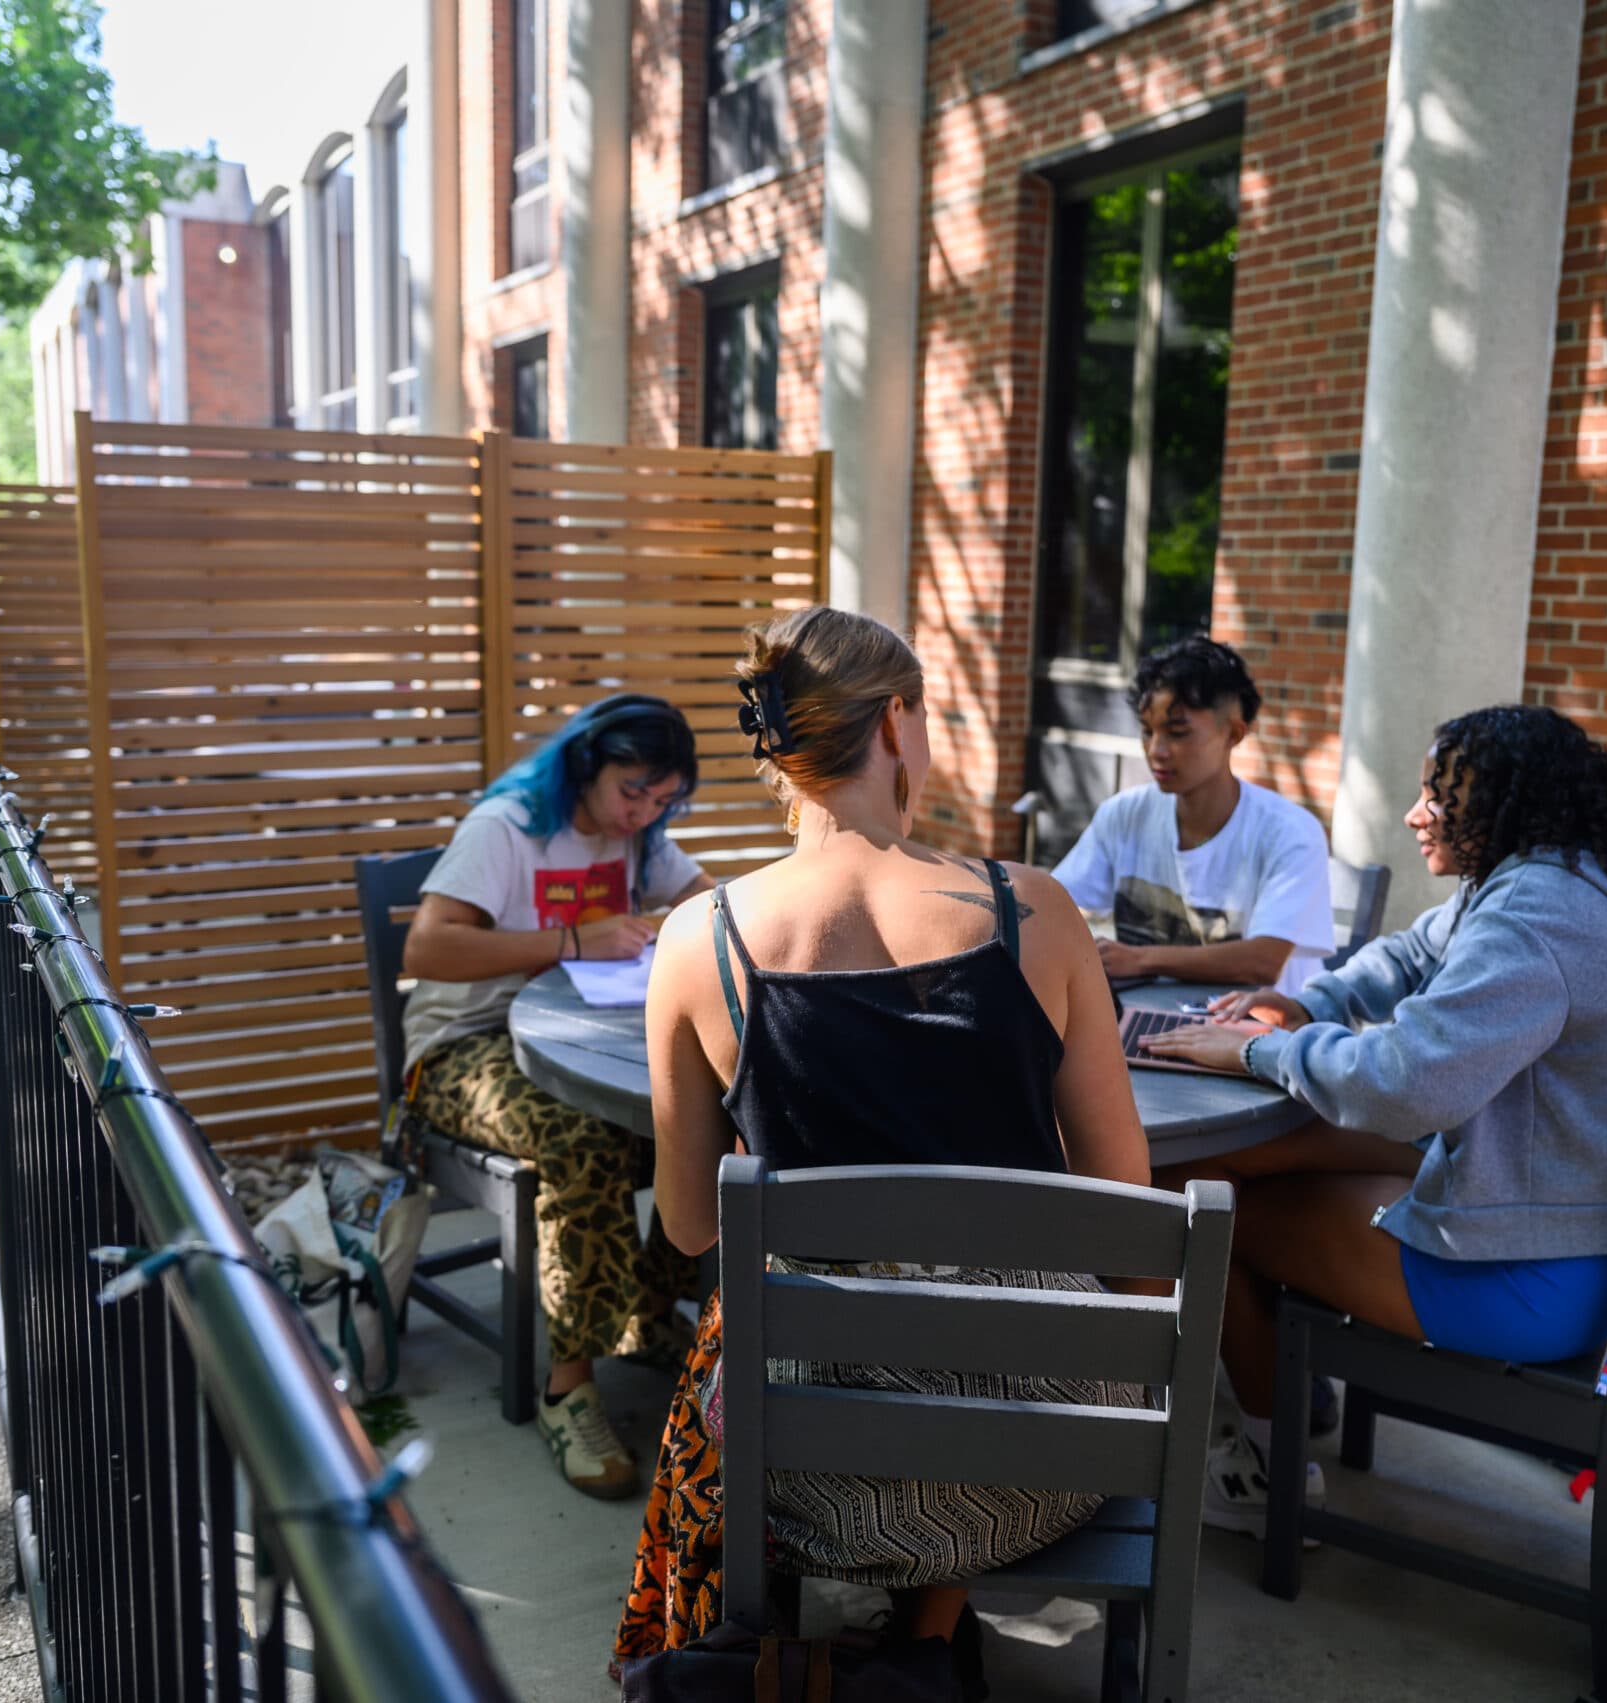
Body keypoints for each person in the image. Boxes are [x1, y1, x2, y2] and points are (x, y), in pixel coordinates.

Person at [615, 607, 1153, 1683]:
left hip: (804, 1458)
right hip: (1044, 1456)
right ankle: (917, 1652)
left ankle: (837, 1660)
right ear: (898, 722)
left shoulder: (697, 938)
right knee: (998, 1323)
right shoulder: (1033, 911)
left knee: (755, 1334)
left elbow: (683, 1224)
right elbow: (1131, 1221)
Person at [1138, 703, 1607, 1537]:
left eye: (1442, 799)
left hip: (1523, 1276)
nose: (1417, 815)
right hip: (1540, 1213)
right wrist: (1305, 1001)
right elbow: (1411, 953)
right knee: (1252, 1159)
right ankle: (1282, 1382)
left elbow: (1404, 1086)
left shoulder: (1538, 918)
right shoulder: (1560, 877)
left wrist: (1256, 1053)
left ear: (1509, 808)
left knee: (1208, 1204)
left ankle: (1263, 1464)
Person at [401, 692, 718, 1499]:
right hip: (460, 1049)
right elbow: (428, 945)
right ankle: (567, 1387)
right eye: (631, 791)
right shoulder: (508, 827)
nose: (642, 813)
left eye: (661, 799)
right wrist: (574, 938)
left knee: (700, 1114)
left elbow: (706, 899)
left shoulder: (638, 831)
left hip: (571, 1035)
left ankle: (647, 1315)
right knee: (586, 1135)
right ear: (587, 761)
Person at [1052, 634, 1335, 995]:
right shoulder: (1124, 815)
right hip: (1150, 1019)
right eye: (1147, 731)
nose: (1157, 751)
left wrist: (1141, 958)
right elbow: (1053, 904)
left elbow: (1263, 962)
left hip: (1263, 1035)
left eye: (1178, 733)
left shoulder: (1290, 832)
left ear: (1233, 734)